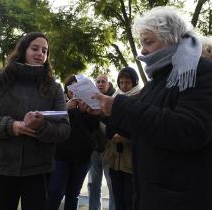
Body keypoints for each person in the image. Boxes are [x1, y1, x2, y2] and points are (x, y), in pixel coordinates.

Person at [83, 6, 212, 210]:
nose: (142, 51)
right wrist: (106, 113)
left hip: (180, 198)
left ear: (171, 38)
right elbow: (140, 127)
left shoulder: (200, 72)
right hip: (151, 194)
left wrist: (119, 107)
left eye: (149, 42)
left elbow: (190, 130)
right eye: (142, 43)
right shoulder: (157, 80)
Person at [0, 32, 70, 210]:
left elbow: (64, 129)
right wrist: (11, 126)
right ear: (23, 50)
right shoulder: (0, 81)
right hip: (2, 166)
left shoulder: (54, 88)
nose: (41, 53)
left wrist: (41, 126)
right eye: (35, 48)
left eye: (45, 51)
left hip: (39, 169)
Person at [46, 75, 99, 210]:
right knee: (55, 192)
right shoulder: (59, 102)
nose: (75, 92)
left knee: (73, 194)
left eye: (78, 88)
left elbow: (94, 128)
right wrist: (66, 108)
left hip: (82, 157)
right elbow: (50, 121)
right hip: (61, 156)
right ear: (67, 89)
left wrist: (88, 112)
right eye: (72, 88)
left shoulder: (88, 104)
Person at [103, 67, 141, 210]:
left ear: (134, 83)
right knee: (118, 200)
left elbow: (142, 130)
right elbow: (110, 127)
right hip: (115, 160)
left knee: (130, 200)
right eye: (121, 82)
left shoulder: (140, 98)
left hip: (131, 161)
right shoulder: (115, 99)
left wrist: (126, 139)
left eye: (128, 82)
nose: (124, 86)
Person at [88, 74, 115, 210]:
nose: (100, 84)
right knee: (93, 185)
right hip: (94, 149)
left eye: (103, 81)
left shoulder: (115, 99)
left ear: (109, 84)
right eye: (97, 81)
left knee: (112, 186)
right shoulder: (89, 98)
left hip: (110, 149)